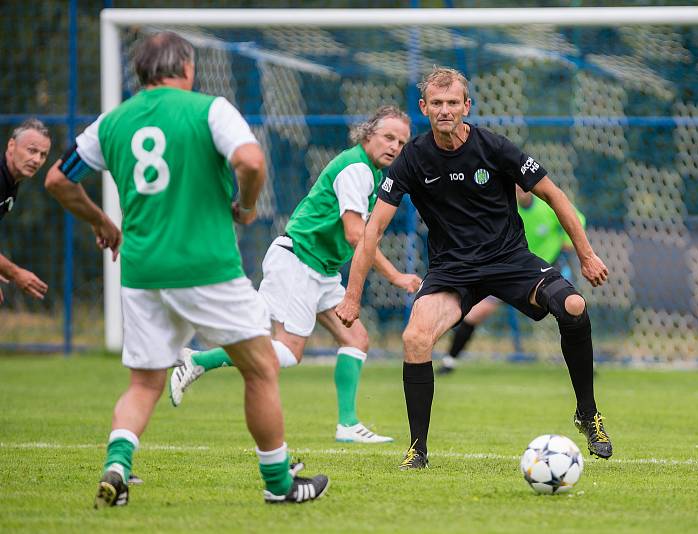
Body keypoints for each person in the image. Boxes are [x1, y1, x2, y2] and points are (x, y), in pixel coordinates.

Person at [44, 31, 328, 507]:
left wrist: (102, 222)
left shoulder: (112, 122)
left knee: (143, 383)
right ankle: (280, 484)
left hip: (141, 271)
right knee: (261, 369)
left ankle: (118, 466)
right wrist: (247, 204)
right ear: (188, 68)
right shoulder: (209, 110)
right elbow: (252, 160)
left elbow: (57, 179)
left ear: (140, 73)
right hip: (206, 266)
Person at [336, 66, 613, 469]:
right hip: (453, 270)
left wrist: (587, 255)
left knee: (573, 307)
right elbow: (372, 230)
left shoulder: (494, 147)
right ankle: (417, 449)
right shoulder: (412, 158)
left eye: (452, 103)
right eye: (436, 104)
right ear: (424, 108)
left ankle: (588, 414)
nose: (445, 110)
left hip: (509, 260)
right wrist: (352, 295)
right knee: (415, 337)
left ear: (467, 106)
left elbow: (554, 195)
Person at [170, 105, 421, 444]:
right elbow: (354, 234)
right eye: (388, 137)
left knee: (356, 339)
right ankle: (199, 359)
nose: (395, 146)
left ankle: (347, 425)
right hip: (298, 263)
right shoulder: (356, 170)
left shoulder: (373, 174)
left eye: (402, 142)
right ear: (368, 135)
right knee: (287, 353)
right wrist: (395, 276)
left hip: (320, 269)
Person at [438, 185, 586, 374]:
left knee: (571, 308)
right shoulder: (506, 209)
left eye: (524, 185)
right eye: (516, 185)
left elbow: (578, 218)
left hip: (549, 270)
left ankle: (585, 363)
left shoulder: (547, 205)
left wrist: (567, 241)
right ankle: (450, 361)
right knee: (475, 314)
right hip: (514, 271)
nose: (521, 189)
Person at [0, 119, 51, 304]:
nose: (37, 160)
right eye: (32, 150)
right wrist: (15, 273)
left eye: (43, 155)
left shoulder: (12, 181)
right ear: (11, 145)